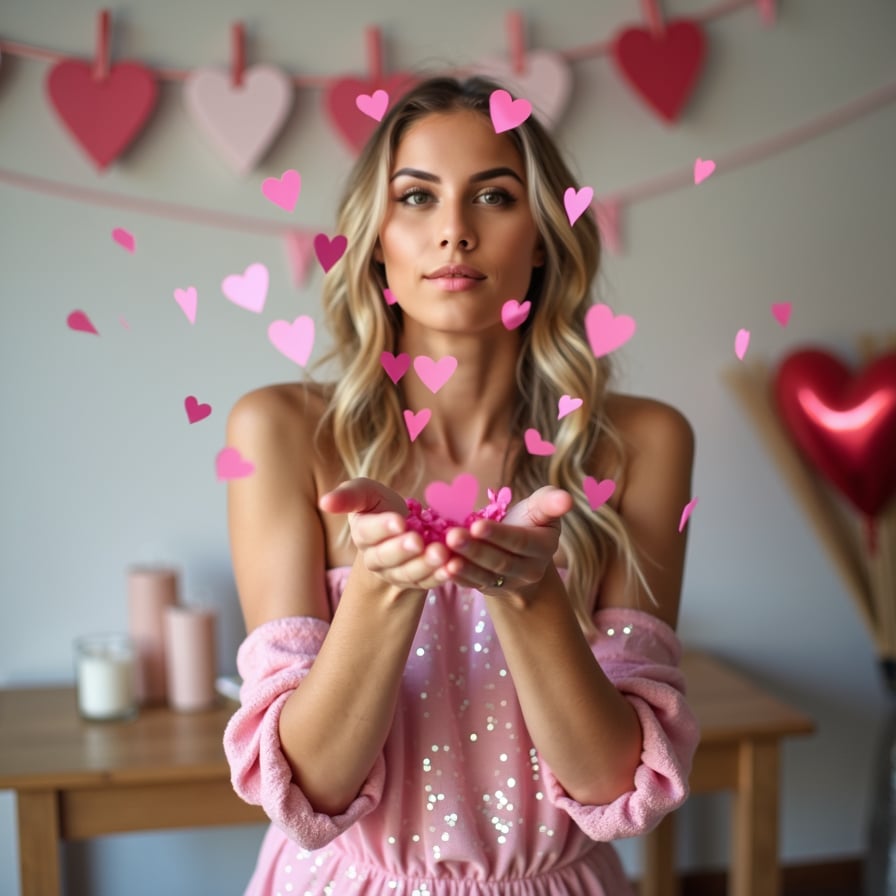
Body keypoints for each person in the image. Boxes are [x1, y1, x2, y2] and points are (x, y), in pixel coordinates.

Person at [223, 75, 699, 895]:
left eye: (494, 195)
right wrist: (380, 587)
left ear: (545, 236)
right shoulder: (281, 433)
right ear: (374, 240)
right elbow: (309, 793)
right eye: (415, 197)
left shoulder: (642, 444)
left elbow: (620, 791)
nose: (453, 232)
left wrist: (533, 599)